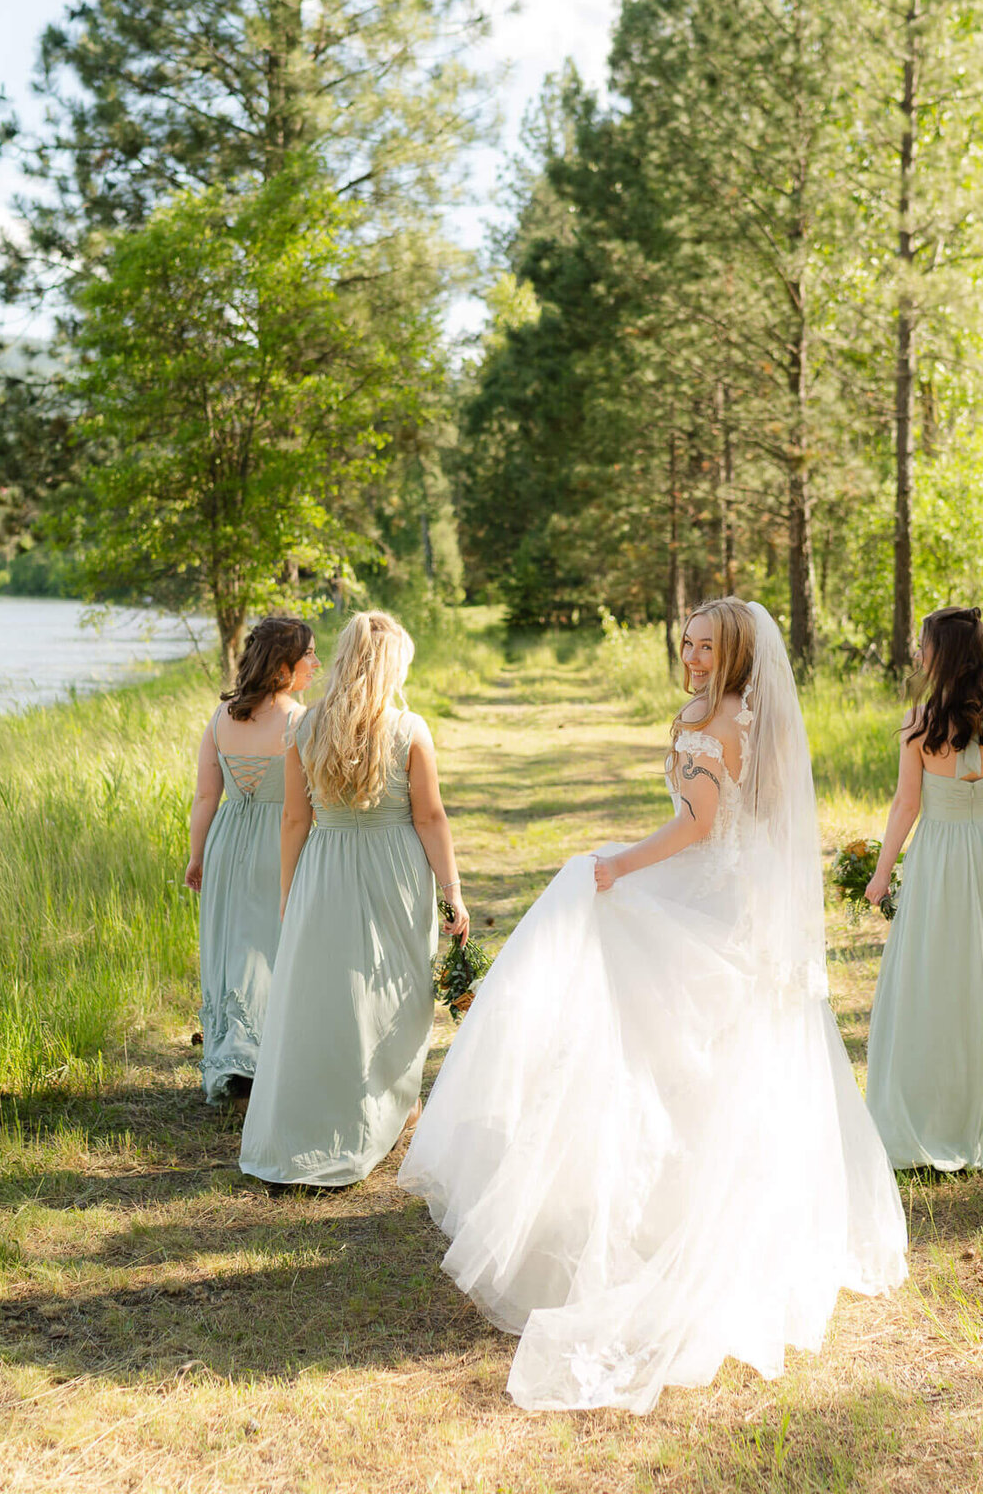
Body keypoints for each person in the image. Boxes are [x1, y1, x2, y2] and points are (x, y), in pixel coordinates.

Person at [399, 597, 907, 1414]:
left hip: (720, 901)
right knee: (660, 1049)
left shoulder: (737, 722)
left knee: (693, 1043)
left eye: (707, 645)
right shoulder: (697, 714)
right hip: (703, 882)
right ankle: (656, 1213)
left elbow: (706, 827)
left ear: (737, 652)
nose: (693, 654)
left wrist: (622, 864)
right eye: (688, 641)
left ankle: (710, 1232)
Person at [240, 610, 469, 1190]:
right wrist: (452, 892)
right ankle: (390, 1109)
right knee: (397, 985)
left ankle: (342, 1110)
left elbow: (295, 819)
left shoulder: (306, 726)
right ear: (392, 666)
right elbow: (430, 817)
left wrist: (291, 894)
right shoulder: (409, 728)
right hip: (394, 870)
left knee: (330, 994)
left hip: (326, 866)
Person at [865, 605, 983, 1171]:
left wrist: (883, 873)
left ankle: (937, 1106)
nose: (918, 654)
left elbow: (906, 805)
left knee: (937, 973)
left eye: (923, 645)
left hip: (942, 856)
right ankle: (973, 1104)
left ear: (942, 654)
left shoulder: (919, 722)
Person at [186, 615, 318, 1105]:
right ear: (283, 667)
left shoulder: (222, 719)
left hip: (227, 839)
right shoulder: (299, 721)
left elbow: (205, 796)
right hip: (277, 840)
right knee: (273, 947)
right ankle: (266, 1060)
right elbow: (309, 800)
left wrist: (197, 855)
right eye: (308, 655)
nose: (315, 663)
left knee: (234, 946)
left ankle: (236, 1061)